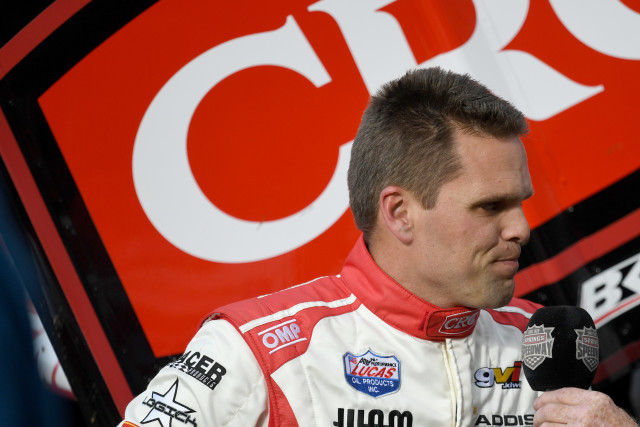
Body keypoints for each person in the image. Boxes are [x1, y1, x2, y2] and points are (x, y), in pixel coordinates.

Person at [118, 67, 637, 426]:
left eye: (519, 203)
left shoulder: (538, 340)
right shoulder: (260, 350)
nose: (521, 228)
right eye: (489, 206)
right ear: (399, 212)